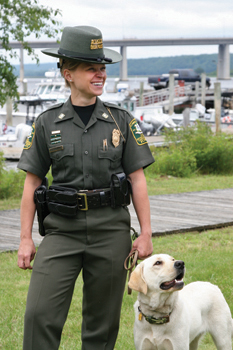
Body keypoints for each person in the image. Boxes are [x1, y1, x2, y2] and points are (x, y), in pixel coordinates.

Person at [17, 25, 154, 350]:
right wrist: (25, 239)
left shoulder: (121, 120)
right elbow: (31, 184)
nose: (100, 74)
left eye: (102, 68)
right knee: (39, 315)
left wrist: (146, 232)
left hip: (111, 233)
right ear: (68, 73)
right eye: (91, 68)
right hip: (61, 231)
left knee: (101, 326)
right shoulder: (46, 122)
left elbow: (138, 180)